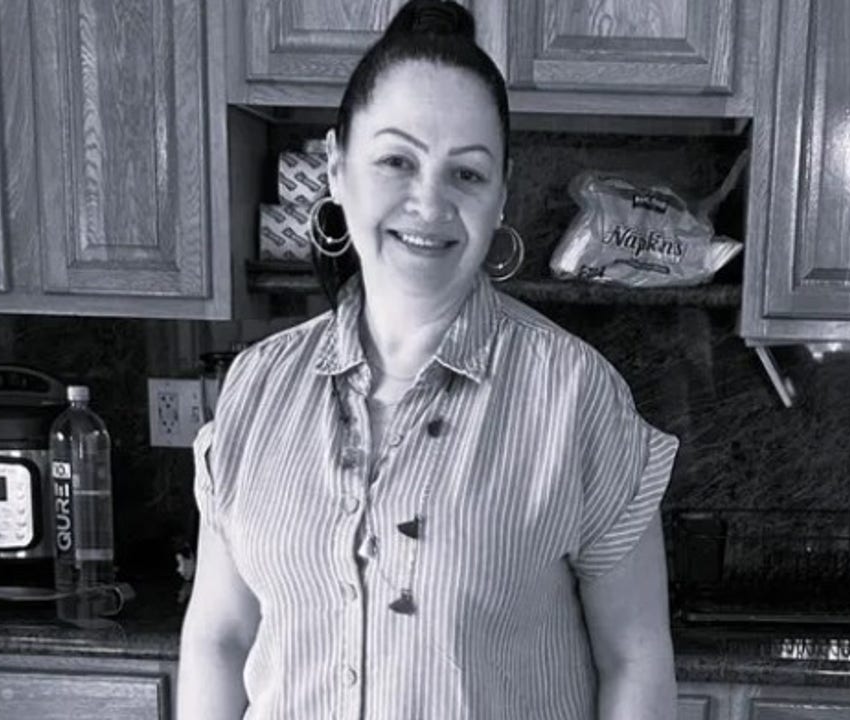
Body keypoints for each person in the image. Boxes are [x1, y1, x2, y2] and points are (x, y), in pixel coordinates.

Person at [177, 1, 679, 718]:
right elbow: (220, 639)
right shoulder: (257, 387)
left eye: (466, 174)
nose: (429, 201)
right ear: (337, 168)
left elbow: (634, 658)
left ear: (501, 194)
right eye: (396, 161)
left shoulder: (575, 397)